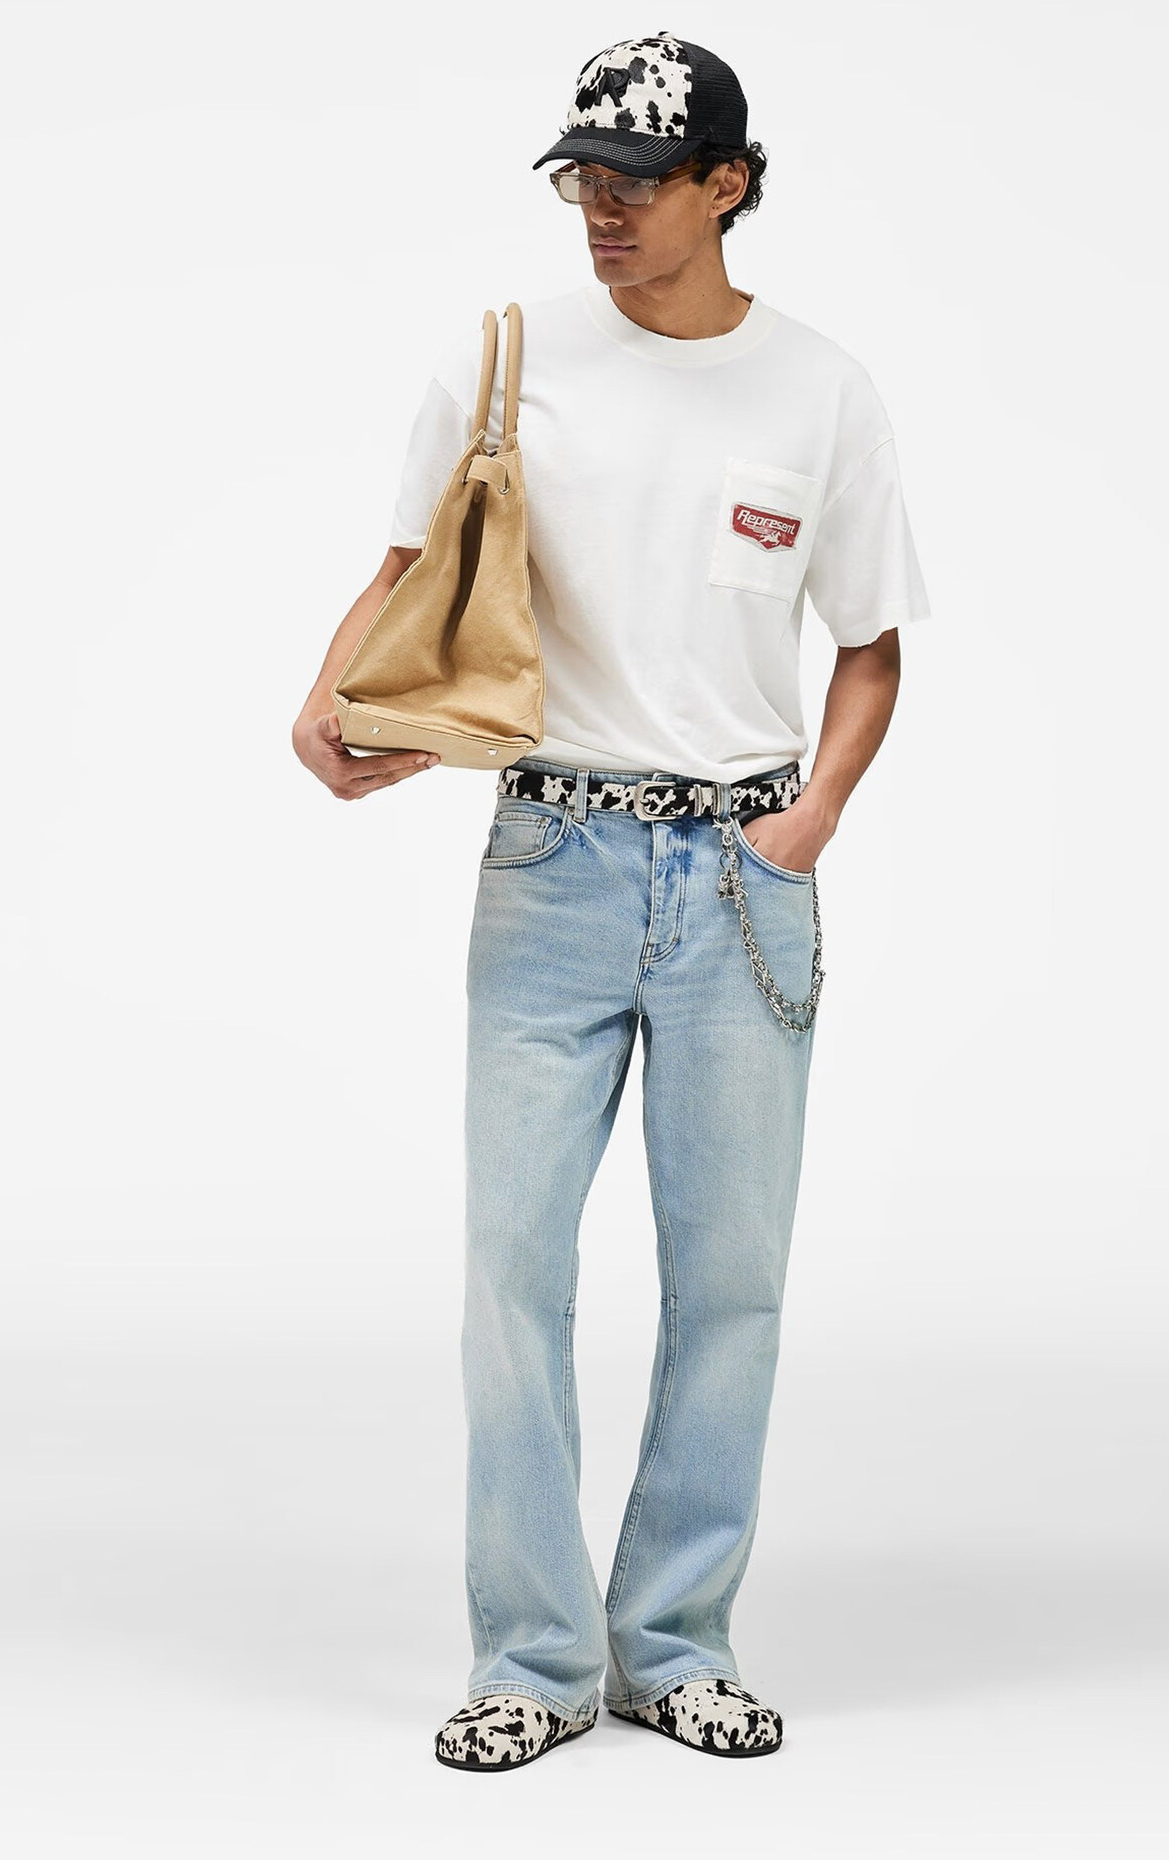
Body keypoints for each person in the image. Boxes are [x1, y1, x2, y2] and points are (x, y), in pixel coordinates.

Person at [292, 30, 931, 1772]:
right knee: (512, 1270)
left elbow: (870, 647)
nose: (605, 208)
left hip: (741, 878)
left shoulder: (822, 393)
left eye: (643, 179)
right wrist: (329, 699)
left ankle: (675, 1642)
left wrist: (807, 823)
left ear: (731, 184)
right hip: (550, 860)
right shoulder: (506, 357)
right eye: (585, 175)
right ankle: (531, 1657)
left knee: (732, 1281)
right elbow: (408, 569)